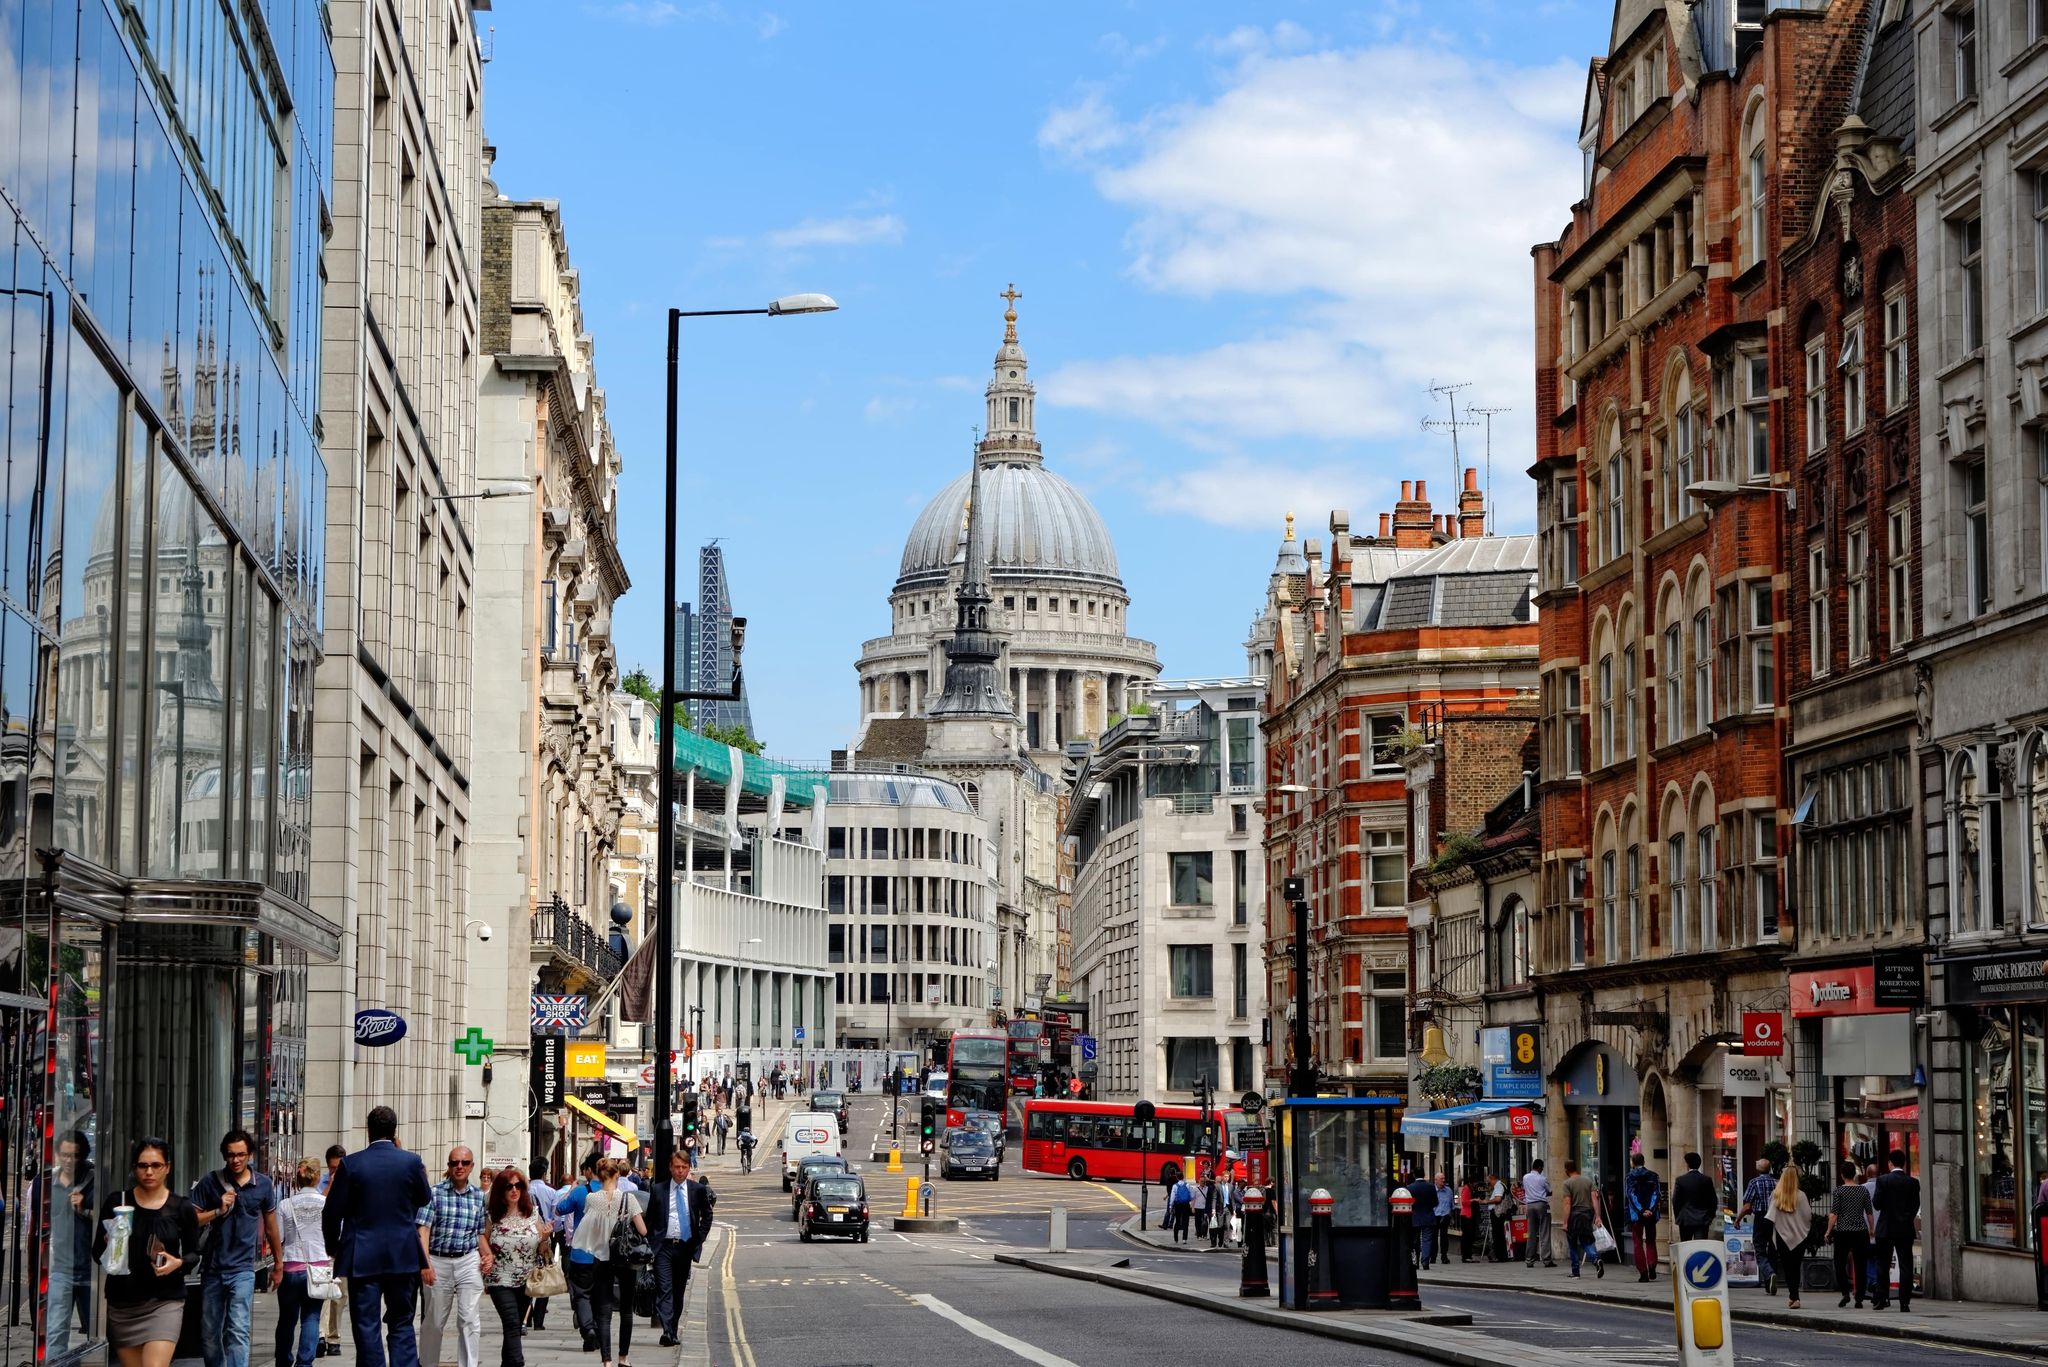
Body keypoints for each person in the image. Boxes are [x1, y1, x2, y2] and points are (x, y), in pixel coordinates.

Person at [322, 1105, 434, 1367]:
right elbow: (424, 1197)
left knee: (366, 1323)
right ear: (395, 1131)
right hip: (402, 1253)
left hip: (363, 1255)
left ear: (368, 1130)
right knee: (402, 1320)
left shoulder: (352, 1164)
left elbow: (331, 1212)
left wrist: (333, 1247)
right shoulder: (411, 1162)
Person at [94, 1136, 200, 1367]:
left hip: (165, 1301)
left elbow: (194, 1254)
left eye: (156, 1165)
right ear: (134, 1168)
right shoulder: (117, 1202)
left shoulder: (181, 1207)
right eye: (143, 1166)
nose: (149, 1172)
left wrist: (178, 1263)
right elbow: (96, 1254)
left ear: (167, 1168)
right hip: (123, 1304)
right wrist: (109, 1243)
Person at [191, 1128, 283, 1367]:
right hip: (212, 1269)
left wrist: (278, 1265)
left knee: (238, 1330)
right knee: (210, 1334)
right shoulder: (210, 1182)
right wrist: (217, 1211)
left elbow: (272, 1228)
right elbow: (191, 1220)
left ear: (250, 1154)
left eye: (241, 1154)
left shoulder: (262, 1184)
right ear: (224, 1156)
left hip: (243, 1270)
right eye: (231, 1155)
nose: (236, 1160)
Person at [559, 1157, 647, 1367]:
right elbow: (643, 1230)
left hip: (601, 1259)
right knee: (626, 1310)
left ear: (598, 1176)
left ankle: (606, 1361)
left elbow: (591, 1229)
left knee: (603, 1311)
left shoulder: (592, 1199)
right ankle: (623, 1358)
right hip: (624, 1260)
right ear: (617, 1175)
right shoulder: (628, 1199)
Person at [418, 1146, 489, 1367]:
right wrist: (425, 1263)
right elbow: (423, 1231)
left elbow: (479, 1234)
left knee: (469, 1319)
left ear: (471, 1166)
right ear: (449, 1167)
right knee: (435, 1322)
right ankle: (428, 1363)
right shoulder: (435, 1192)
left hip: (468, 1260)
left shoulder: (478, 1197)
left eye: (464, 1163)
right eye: (454, 1163)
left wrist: (488, 1256)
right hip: (438, 1260)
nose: (459, 1167)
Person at [482, 1167, 551, 1367]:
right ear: (501, 1191)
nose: (514, 1190)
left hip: (526, 1280)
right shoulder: (492, 1217)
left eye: (518, 1185)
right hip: (499, 1279)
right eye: (509, 1186)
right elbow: (483, 1241)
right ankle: (518, 1363)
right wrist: (486, 1258)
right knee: (512, 1323)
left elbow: (542, 1249)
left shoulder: (532, 1214)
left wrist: (545, 1238)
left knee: (512, 1328)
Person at [38, 1129, 96, 1357]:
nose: (69, 1160)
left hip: (92, 1269)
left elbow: (110, 1222)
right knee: (56, 1332)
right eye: (65, 1155)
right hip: (61, 1269)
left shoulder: (93, 1181)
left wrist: (85, 1209)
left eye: (75, 1155)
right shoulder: (48, 1183)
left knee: (98, 1334)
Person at [646, 1151, 714, 1347]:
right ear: (670, 1167)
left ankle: (673, 1329)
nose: (680, 1171)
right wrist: (651, 1242)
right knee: (664, 1289)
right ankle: (667, 1331)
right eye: (677, 1167)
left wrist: (699, 1239)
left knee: (678, 1291)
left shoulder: (697, 1190)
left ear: (688, 1168)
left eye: (684, 1168)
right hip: (664, 1247)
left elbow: (707, 1215)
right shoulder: (658, 1190)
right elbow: (650, 1220)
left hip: (685, 1247)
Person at [275, 1158, 332, 1367]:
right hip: (318, 1268)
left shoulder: (285, 1204)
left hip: (291, 1266)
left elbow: (278, 1236)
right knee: (312, 1317)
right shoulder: (326, 1204)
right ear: (317, 1177)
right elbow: (335, 1235)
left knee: (287, 1320)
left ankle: (283, 1360)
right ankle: (304, 1363)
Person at [1870, 1148, 1920, 1313]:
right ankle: (1904, 1302)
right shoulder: (1912, 1182)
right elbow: (1915, 1206)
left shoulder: (1883, 1180)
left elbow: (1876, 1204)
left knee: (1882, 1265)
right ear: (1904, 1164)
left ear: (1890, 1163)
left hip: (1885, 1229)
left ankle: (1881, 1299)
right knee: (1906, 1265)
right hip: (1905, 1229)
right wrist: (1906, 1218)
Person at [316, 1145, 350, 1358]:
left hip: (343, 1246)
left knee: (339, 1295)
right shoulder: (321, 1184)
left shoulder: (351, 1185)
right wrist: (330, 1185)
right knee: (322, 1294)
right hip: (323, 1247)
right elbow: (321, 1209)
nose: (334, 1172)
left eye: (338, 1168)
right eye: (331, 1168)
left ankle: (334, 1337)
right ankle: (320, 1335)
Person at [1826, 1161, 1874, 1309]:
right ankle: (1859, 1297)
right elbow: (1869, 1212)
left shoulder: (1839, 1191)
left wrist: (1828, 1231)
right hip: (1860, 1231)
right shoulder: (1863, 1190)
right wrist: (1871, 1229)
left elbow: (1834, 1214)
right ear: (1854, 1174)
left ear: (1841, 1175)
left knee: (1839, 1263)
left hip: (1843, 1232)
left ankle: (1845, 1293)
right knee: (1861, 1264)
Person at [1768, 1164, 1813, 1310]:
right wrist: (1802, 1228)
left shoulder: (1776, 1195)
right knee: (1795, 1266)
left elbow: (1770, 1217)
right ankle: (1795, 1297)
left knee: (1787, 1268)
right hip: (1799, 1236)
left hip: (1782, 1236)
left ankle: (1793, 1296)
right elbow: (1808, 1217)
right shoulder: (1801, 1195)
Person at [524, 1171, 561, 1331]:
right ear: (545, 1173)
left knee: (528, 1280)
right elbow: (555, 1216)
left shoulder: (527, 1192)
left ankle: (527, 1317)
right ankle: (537, 1320)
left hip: (534, 1239)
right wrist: (553, 1232)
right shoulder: (551, 1192)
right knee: (543, 1277)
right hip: (543, 1237)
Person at [1738, 1158, 1777, 1295]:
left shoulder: (1754, 1182)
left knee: (1760, 1248)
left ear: (1759, 1168)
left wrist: (1738, 1220)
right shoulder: (1776, 1183)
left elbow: (1747, 1206)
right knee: (1772, 1247)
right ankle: (1769, 1282)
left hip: (1761, 1218)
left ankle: (1769, 1273)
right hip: (1775, 1218)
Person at [1560, 1159, 1604, 1279]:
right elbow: (1595, 1199)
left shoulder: (1567, 1183)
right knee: (1586, 1241)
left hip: (1574, 1216)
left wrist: (1565, 1223)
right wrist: (1598, 1216)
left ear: (1566, 1170)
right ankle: (1595, 1259)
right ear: (1576, 1167)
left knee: (1573, 1243)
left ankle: (1575, 1272)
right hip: (1587, 1215)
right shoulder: (1588, 1181)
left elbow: (1567, 1204)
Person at [1624, 1153, 1661, 1282]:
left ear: (1633, 1163)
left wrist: (1641, 1211)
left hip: (1636, 1215)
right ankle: (1652, 1266)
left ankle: (1643, 1273)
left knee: (1637, 1242)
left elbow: (1631, 1195)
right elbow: (1657, 1194)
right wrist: (1650, 1210)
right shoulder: (1653, 1175)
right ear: (1644, 1161)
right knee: (1651, 1241)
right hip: (1651, 1215)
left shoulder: (1629, 1177)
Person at [1672, 1151, 1717, 1244]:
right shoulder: (1706, 1180)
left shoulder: (1681, 1180)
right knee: (1700, 1247)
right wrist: (1710, 1216)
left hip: (1685, 1219)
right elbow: (1713, 1200)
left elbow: (1676, 1201)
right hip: (1703, 1219)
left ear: (1688, 1165)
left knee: (1686, 1246)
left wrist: (1679, 1216)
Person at [1521, 1160, 1554, 1268]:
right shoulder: (1542, 1178)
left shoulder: (1525, 1177)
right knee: (1544, 1232)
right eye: (1542, 1167)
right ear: (1539, 1167)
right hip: (1541, 1205)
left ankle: (1529, 1260)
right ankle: (1547, 1259)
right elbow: (1550, 1191)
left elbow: (1524, 1189)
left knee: (1531, 1233)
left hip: (1530, 1206)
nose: (1542, 1169)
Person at [1408, 1170, 1439, 1269]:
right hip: (1428, 1217)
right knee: (1427, 1240)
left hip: (1415, 1217)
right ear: (1424, 1175)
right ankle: (1425, 1262)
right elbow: (1435, 1202)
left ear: (1414, 1175)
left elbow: (1409, 1203)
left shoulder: (1410, 1187)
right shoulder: (1430, 1187)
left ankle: (1415, 1262)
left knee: (1415, 1240)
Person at [1485, 1170, 1510, 1261]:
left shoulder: (1499, 1186)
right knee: (1499, 1234)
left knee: (1498, 1234)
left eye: (1488, 1182)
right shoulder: (1500, 1186)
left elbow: (1498, 1199)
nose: (1488, 1184)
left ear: (1492, 1179)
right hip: (1499, 1213)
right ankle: (1501, 1256)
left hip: (1497, 1213)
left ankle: (1500, 1256)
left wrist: (1487, 1201)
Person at [1457, 1174, 1480, 1262]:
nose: (1477, 1184)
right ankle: (1466, 1255)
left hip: (1471, 1215)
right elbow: (1464, 1202)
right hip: (1467, 1215)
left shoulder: (1472, 1188)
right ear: (1473, 1182)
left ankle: (1468, 1255)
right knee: (1467, 1236)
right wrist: (1474, 1200)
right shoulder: (1467, 1188)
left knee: (1470, 1236)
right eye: (1476, 1182)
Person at [1167, 1172, 1195, 1243]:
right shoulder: (1187, 1185)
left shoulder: (1175, 1186)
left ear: (1177, 1177)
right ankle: (1184, 1239)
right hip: (1186, 1204)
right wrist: (1189, 1200)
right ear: (1183, 1177)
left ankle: (1176, 1238)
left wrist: (1170, 1206)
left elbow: (1172, 1197)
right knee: (1186, 1221)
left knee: (1177, 1220)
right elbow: (1192, 1195)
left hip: (1178, 1205)